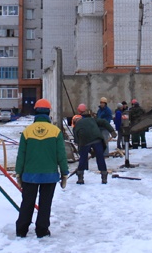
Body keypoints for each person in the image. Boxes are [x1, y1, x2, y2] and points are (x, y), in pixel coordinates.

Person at [14, 98, 69, 239]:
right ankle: (42, 230)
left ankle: (21, 230)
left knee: (27, 202)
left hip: (29, 175)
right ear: (49, 112)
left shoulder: (27, 132)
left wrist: (19, 173)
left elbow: (21, 155)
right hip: (49, 175)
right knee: (45, 204)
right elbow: (61, 155)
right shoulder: (55, 132)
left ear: (35, 112)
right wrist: (64, 173)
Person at [73, 104, 116, 185]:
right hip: (97, 139)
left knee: (83, 158)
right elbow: (103, 122)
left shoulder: (76, 126)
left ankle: (80, 178)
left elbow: (78, 141)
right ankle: (104, 177)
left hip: (85, 142)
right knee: (100, 157)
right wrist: (112, 131)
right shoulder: (92, 120)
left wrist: (84, 151)